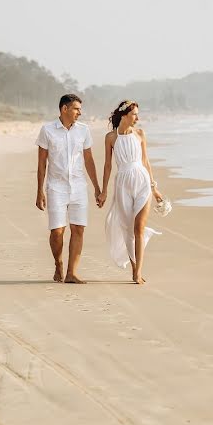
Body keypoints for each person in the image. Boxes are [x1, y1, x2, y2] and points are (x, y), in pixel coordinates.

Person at [35, 94, 102, 283]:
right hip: (56, 187)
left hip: (79, 186)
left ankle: (72, 273)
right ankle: (58, 263)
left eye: (80, 109)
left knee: (78, 229)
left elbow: (89, 160)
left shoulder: (83, 130)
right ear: (64, 109)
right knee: (57, 231)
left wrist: (97, 187)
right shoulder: (47, 130)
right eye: (76, 109)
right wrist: (39, 191)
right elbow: (41, 164)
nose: (79, 113)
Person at [97, 100, 163, 284]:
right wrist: (103, 192)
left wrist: (154, 188)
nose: (138, 118)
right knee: (128, 229)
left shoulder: (140, 134)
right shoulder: (111, 137)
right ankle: (134, 267)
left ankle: (138, 272)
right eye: (134, 114)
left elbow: (146, 162)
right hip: (123, 183)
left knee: (138, 227)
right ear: (124, 115)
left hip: (141, 181)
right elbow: (108, 166)